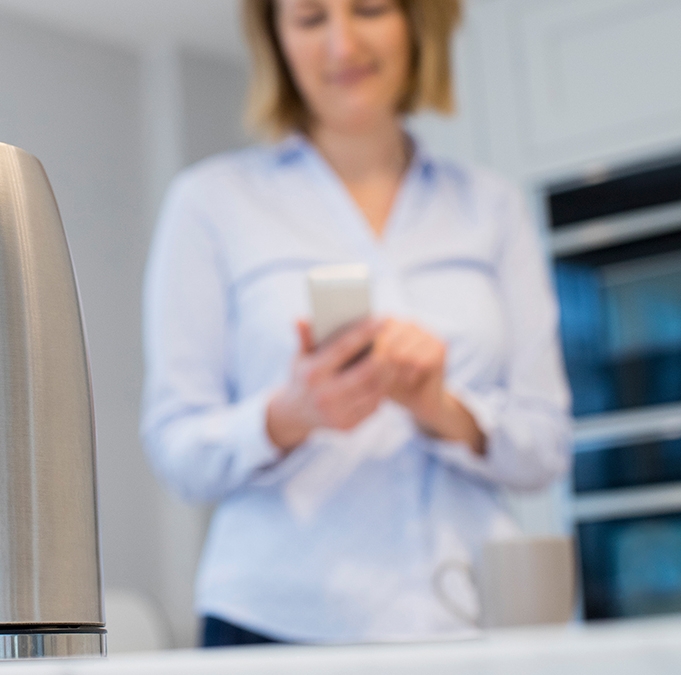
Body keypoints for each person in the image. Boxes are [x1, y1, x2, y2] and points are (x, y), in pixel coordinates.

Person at [140, 0, 572, 646]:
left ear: (416, 22)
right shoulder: (210, 202)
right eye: (311, 19)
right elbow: (176, 445)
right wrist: (291, 413)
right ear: (277, 40)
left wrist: (441, 407)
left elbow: (546, 444)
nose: (342, 45)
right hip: (275, 622)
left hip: (467, 618)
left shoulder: (492, 207)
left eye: (368, 9)